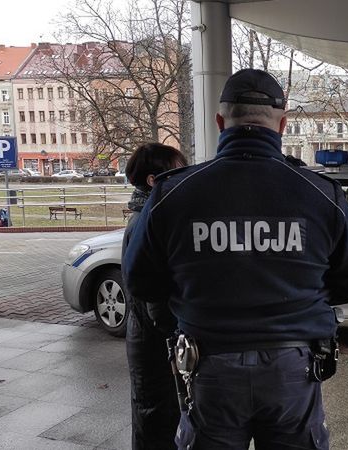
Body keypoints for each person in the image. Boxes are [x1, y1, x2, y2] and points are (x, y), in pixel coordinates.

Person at [123, 68, 348, 449]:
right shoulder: (321, 194)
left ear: (220, 122)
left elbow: (141, 282)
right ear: (283, 124)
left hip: (208, 364)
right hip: (293, 367)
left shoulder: (174, 194)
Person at [121, 143, 188, 450]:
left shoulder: (147, 214)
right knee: (155, 417)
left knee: (159, 416)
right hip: (152, 342)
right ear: (153, 180)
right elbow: (154, 297)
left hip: (148, 337)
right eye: (177, 169)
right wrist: (178, 333)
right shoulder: (146, 221)